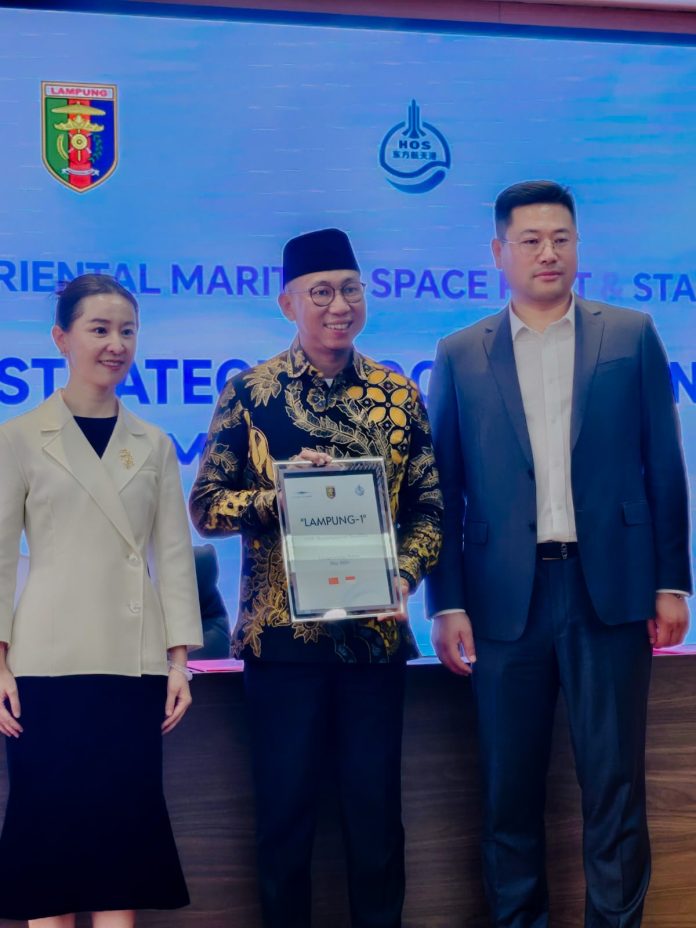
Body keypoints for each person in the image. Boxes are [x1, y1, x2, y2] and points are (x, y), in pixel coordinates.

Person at [426, 180, 692, 928]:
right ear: (499, 252)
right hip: (503, 600)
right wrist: (446, 601)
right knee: (509, 792)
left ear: (577, 245)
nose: (548, 252)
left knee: (615, 787)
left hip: (611, 591)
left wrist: (672, 582)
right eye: (531, 240)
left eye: (561, 238)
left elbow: (664, 464)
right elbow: (444, 487)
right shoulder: (460, 353)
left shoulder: (631, 334)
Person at [189, 228, 443, 928]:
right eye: (321, 292)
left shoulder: (398, 393)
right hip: (282, 647)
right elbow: (206, 506)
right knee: (284, 824)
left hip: (373, 643)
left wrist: (403, 578)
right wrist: (280, 497)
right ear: (288, 303)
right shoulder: (250, 393)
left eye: (350, 290)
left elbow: (429, 509)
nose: (339, 305)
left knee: (376, 824)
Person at [0, 274, 203, 927]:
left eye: (127, 331)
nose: (116, 344)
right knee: (48, 853)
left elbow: (173, 556)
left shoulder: (155, 443)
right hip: (45, 663)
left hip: (131, 665)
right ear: (61, 338)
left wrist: (179, 661)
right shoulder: (18, 437)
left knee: (121, 853)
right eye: (99, 329)